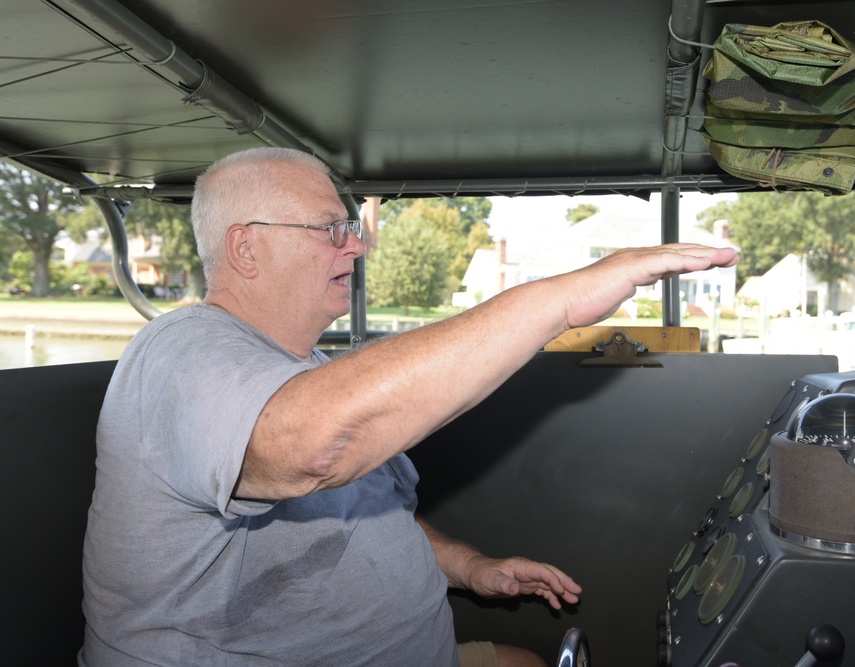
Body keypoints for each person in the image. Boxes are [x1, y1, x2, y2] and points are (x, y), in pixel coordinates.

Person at [80, 147, 739, 667]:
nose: (357, 246)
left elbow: (358, 510)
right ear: (246, 248)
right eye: (331, 229)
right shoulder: (178, 351)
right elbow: (312, 448)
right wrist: (559, 302)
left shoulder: (305, 370)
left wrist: (468, 566)